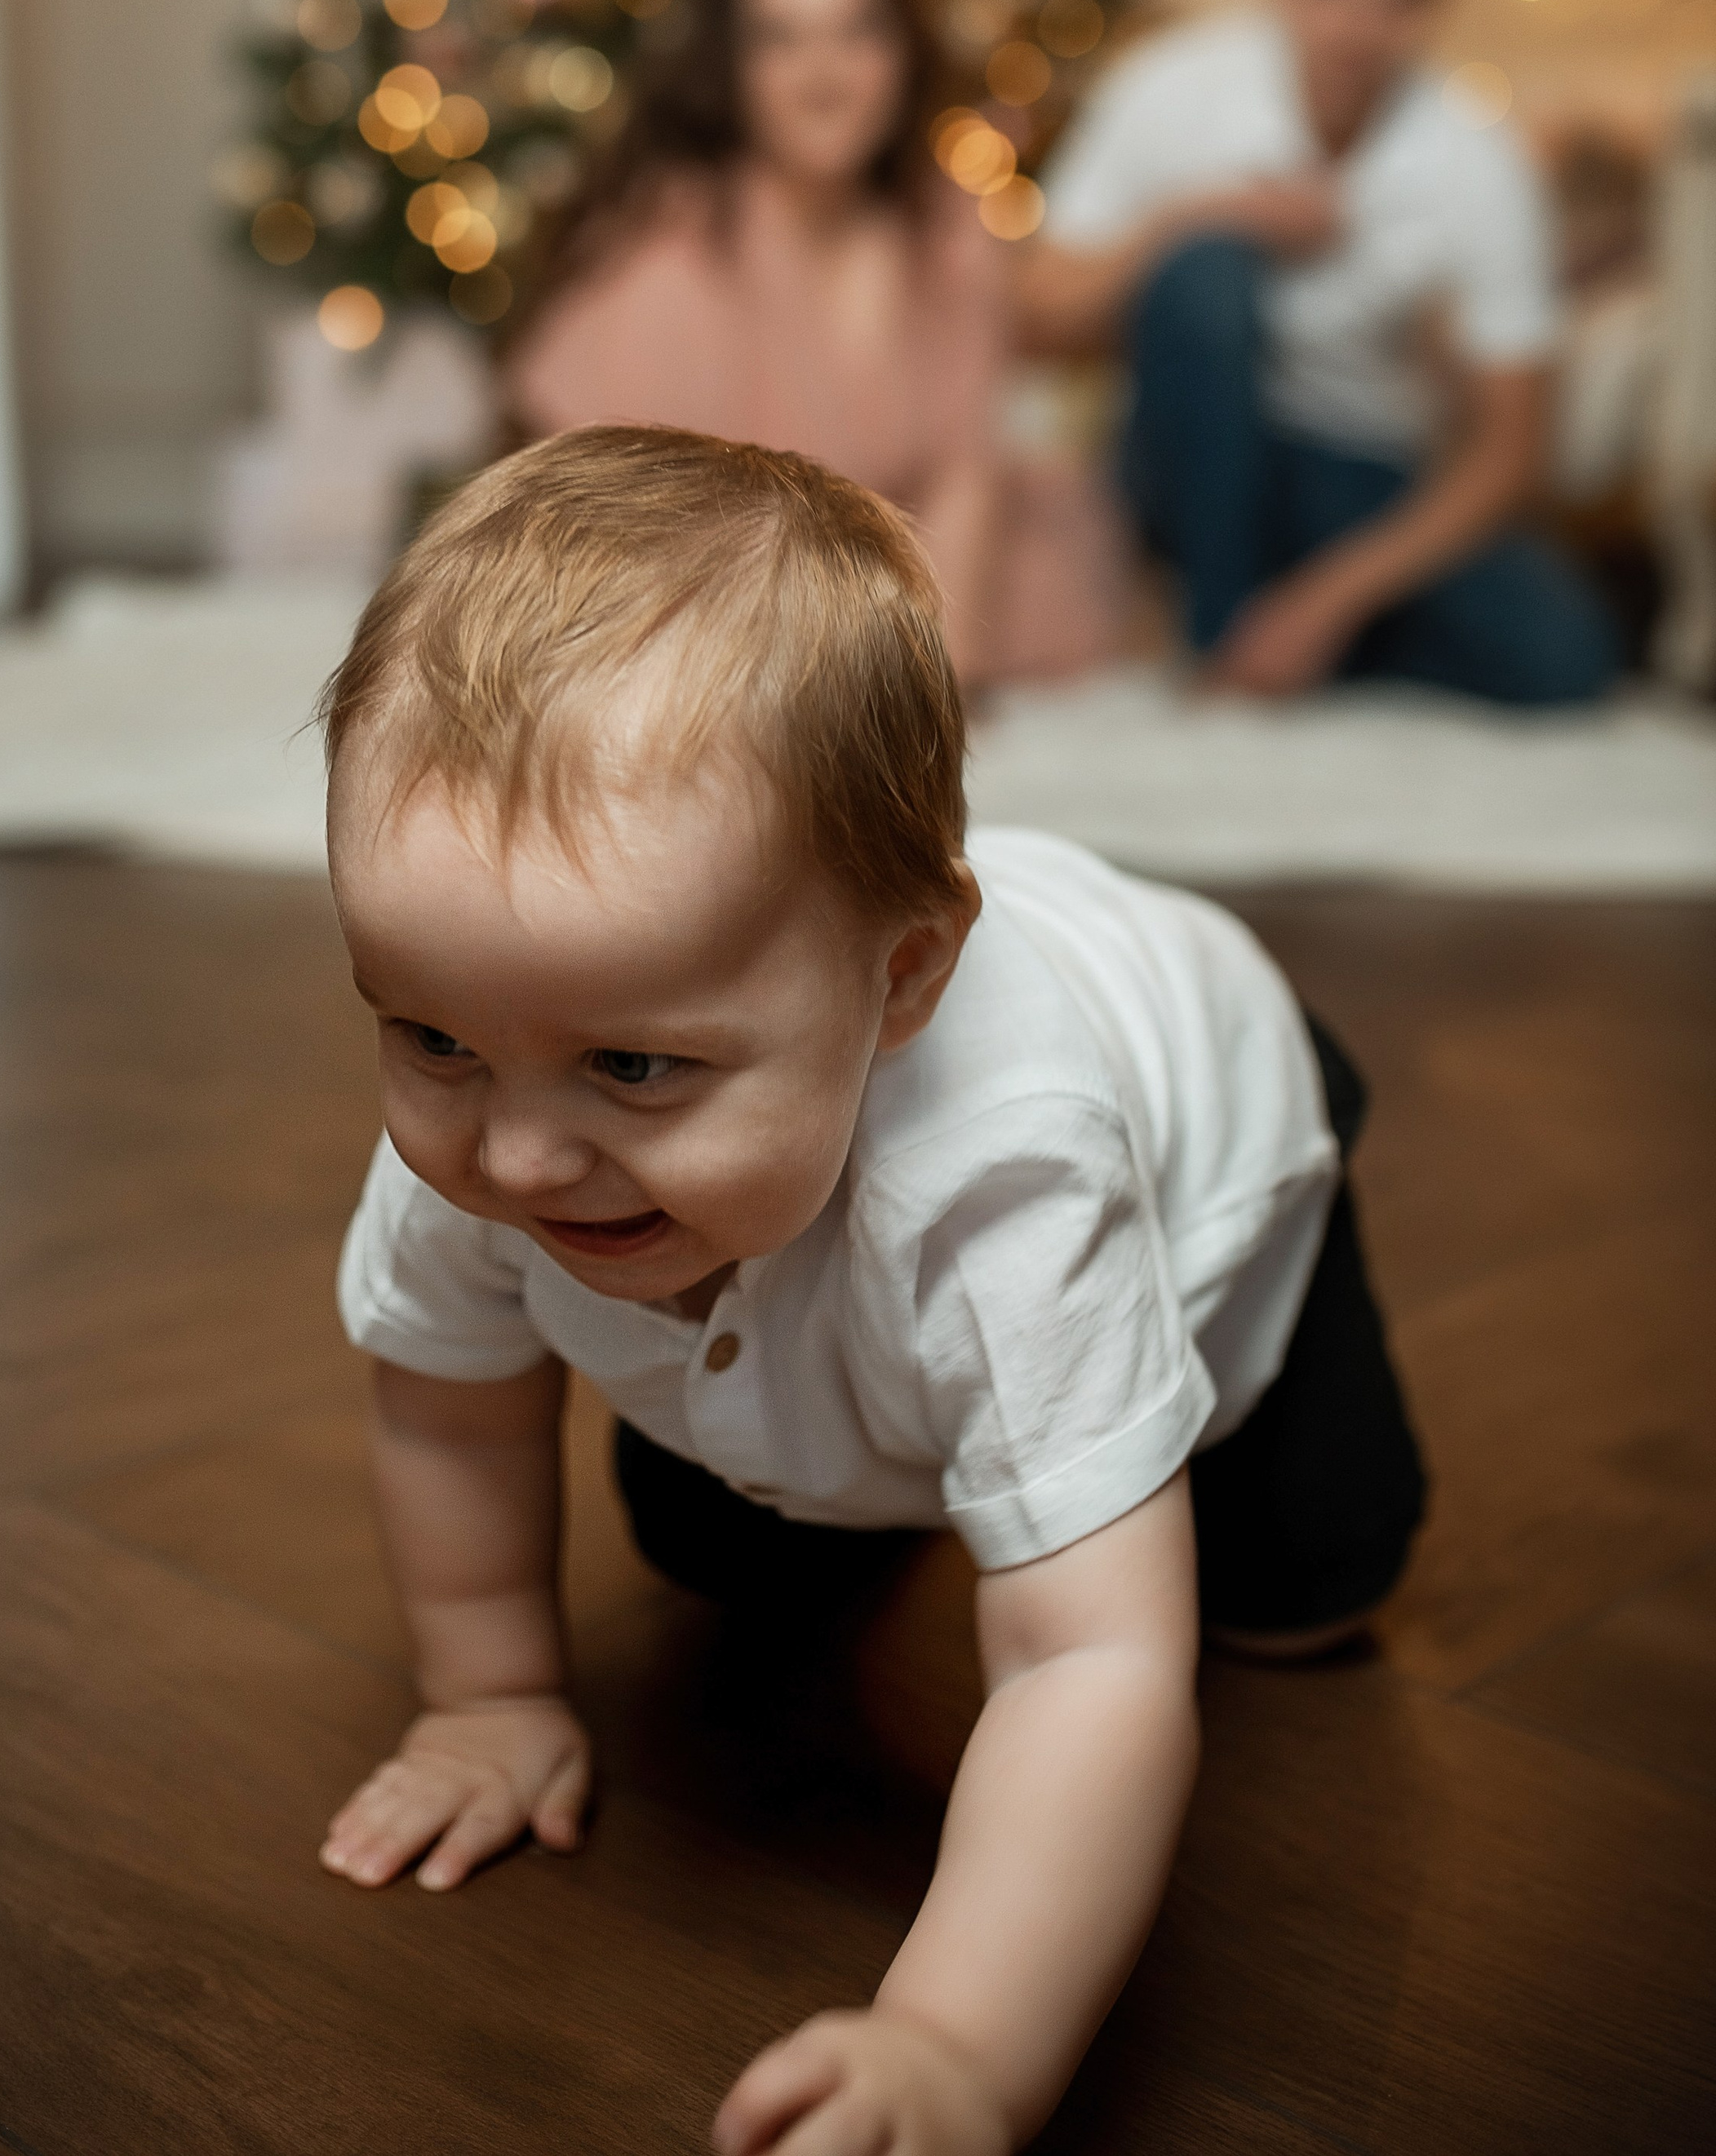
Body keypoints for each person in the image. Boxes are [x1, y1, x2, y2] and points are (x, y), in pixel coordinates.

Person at [318, 427, 1426, 2156]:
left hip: (1229, 1142)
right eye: (428, 1035)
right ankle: (958, 1446)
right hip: (821, 1264)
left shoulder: (1002, 1189)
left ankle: (1061, 1447)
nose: (516, 1159)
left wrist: (956, 2046)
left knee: (1292, 1598)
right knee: (718, 1554)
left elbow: (1087, 1671)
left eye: (632, 1062)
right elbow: (443, 1399)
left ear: (902, 978)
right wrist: (487, 1693)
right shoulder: (507, 1110)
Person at [1020, 0, 1621, 703]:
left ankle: (1295, 634)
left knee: (1567, 657)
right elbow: (1036, 316)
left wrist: (1330, 599)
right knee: (1209, 274)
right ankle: (1220, 639)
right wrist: (1213, 210)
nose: (1347, 25)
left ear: (1427, 6)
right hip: (1182, 461)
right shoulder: (1169, 89)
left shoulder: (1477, 160)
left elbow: (1514, 450)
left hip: (1354, 477)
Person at [503, 0, 1129, 685]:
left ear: (902, 55)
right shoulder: (676, 248)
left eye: (857, 31)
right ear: (734, 71)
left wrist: (943, 687)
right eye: (782, 38)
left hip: (908, 587)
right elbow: (629, 532)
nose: (823, 71)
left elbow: (966, 470)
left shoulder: (946, 228)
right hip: (702, 604)